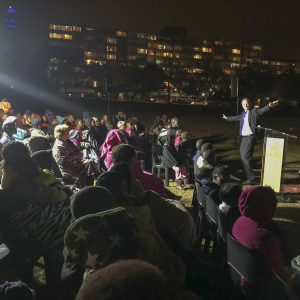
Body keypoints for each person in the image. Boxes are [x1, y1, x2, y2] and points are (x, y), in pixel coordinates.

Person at [232, 185, 300, 299]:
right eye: (273, 204)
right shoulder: (265, 238)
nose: (275, 207)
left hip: (244, 281)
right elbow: (284, 278)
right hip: (264, 291)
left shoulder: (239, 222)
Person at [222, 98, 278, 184]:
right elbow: (236, 118)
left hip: (250, 137)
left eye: (247, 103)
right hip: (243, 138)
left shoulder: (254, 112)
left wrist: (269, 106)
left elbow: (262, 111)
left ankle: (251, 178)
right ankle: (245, 176)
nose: (246, 105)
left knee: (245, 158)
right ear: (242, 105)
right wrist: (227, 118)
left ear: (250, 103)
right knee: (243, 157)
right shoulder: (243, 114)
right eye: (244, 104)